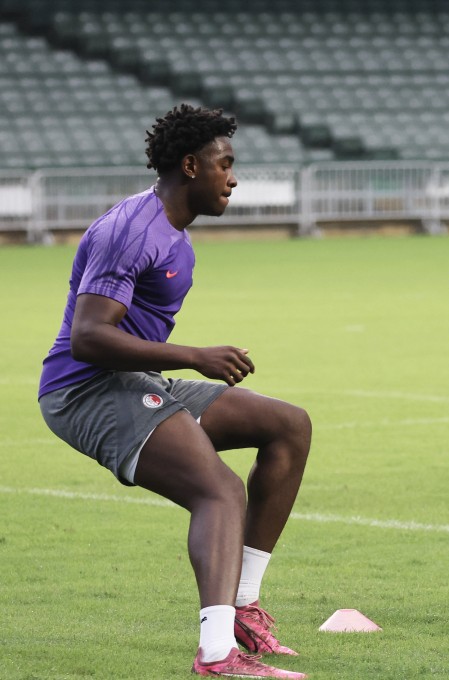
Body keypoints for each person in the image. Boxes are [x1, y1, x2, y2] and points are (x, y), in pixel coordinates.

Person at [38, 104, 310, 678]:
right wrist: (196, 356)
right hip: (84, 389)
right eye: (225, 164)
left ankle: (242, 610)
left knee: (288, 425)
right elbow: (89, 338)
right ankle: (216, 655)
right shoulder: (130, 230)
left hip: (133, 381)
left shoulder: (171, 230)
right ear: (191, 165)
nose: (232, 177)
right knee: (218, 490)